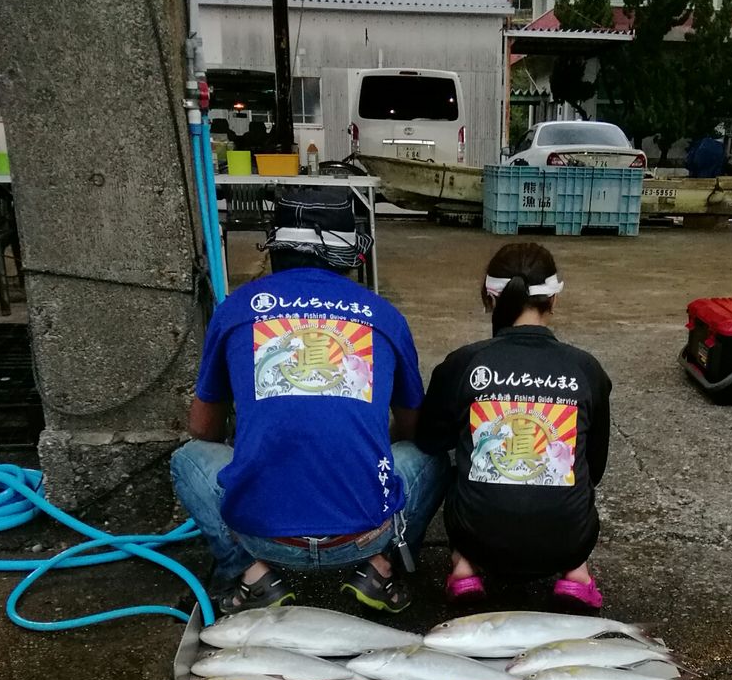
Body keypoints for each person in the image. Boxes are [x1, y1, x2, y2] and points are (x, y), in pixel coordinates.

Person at [171, 190, 447, 615]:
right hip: (364, 534)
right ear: (348, 257)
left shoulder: (236, 310)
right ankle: (380, 566)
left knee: (187, 458)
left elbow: (202, 430)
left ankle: (251, 573)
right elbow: (414, 430)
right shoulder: (384, 315)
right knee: (431, 457)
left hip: (261, 535)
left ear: (275, 248)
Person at [415, 241, 611, 608]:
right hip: (568, 541)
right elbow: (594, 468)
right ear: (554, 300)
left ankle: (464, 567)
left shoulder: (463, 364)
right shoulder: (586, 368)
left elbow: (429, 441)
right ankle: (575, 575)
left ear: (489, 300)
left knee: (449, 462)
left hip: (477, 538)